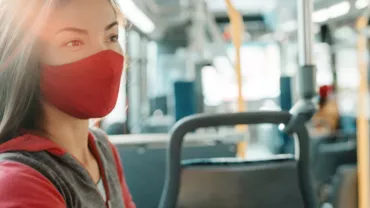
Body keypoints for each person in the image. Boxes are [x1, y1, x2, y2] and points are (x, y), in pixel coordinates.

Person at [0, 0, 135, 207]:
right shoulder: (19, 181)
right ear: (29, 61)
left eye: (112, 37)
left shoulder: (103, 149)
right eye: (74, 42)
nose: (104, 55)